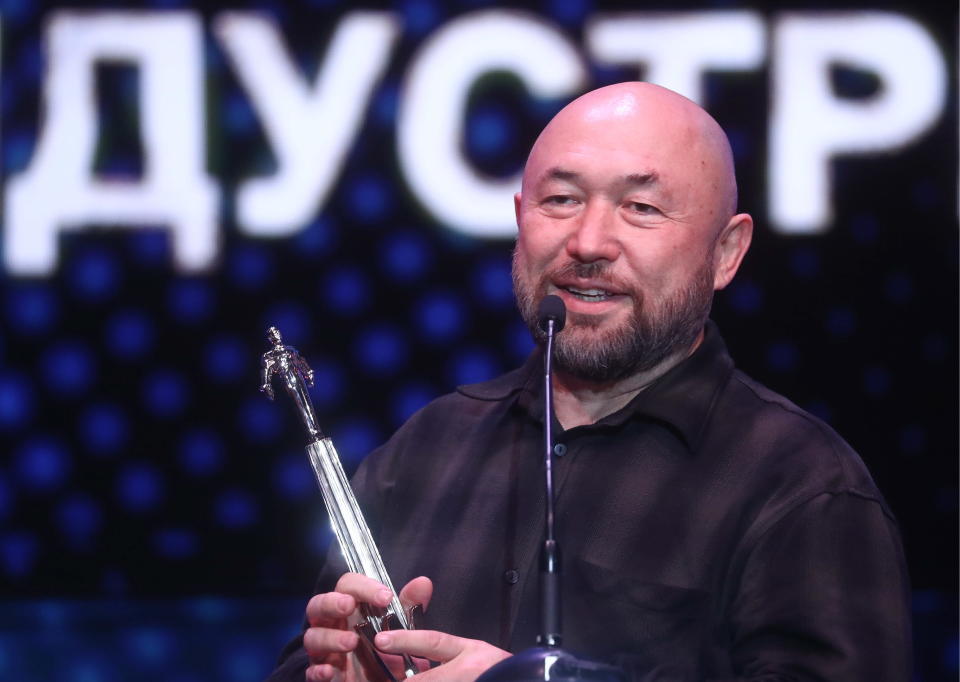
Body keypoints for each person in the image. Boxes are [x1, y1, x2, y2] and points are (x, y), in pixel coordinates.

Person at [267, 82, 911, 681]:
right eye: (562, 200)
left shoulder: (802, 488)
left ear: (726, 253)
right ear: (520, 219)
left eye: (641, 207)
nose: (589, 241)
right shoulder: (425, 448)